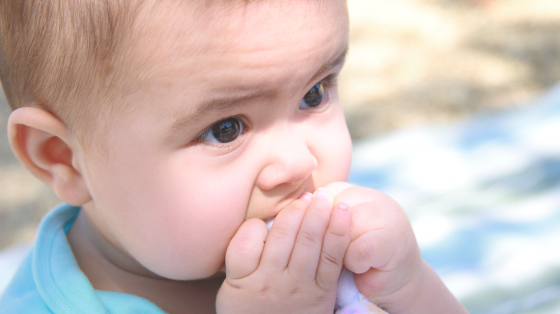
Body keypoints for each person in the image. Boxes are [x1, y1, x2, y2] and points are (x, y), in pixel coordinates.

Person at [0, 0, 469, 313]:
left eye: (312, 94)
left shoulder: (333, 258)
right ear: (63, 157)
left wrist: (410, 288)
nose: (298, 163)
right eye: (225, 129)